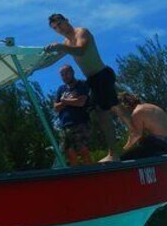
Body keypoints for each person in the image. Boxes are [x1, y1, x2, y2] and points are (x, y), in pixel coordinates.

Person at [46, 13, 132, 162]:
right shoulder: (66, 42)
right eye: (55, 28)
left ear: (67, 20)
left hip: (101, 74)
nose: (58, 29)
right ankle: (134, 130)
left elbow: (80, 50)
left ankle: (115, 152)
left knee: (103, 112)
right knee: (112, 106)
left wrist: (61, 46)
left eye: (59, 24)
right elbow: (57, 55)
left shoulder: (81, 32)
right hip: (92, 79)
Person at [118, 93, 167, 160]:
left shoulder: (137, 113)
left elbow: (135, 135)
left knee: (125, 157)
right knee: (142, 142)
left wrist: (123, 151)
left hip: (162, 144)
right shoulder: (148, 106)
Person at [54, 64, 93, 166]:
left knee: (82, 150)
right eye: (62, 74)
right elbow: (56, 107)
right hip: (65, 125)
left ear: (72, 72)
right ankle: (76, 174)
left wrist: (64, 101)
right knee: (69, 152)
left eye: (67, 73)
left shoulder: (81, 85)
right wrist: (67, 101)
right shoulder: (61, 89)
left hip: (80, 122)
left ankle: (91, 173)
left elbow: (81, 102)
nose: (65, 76)